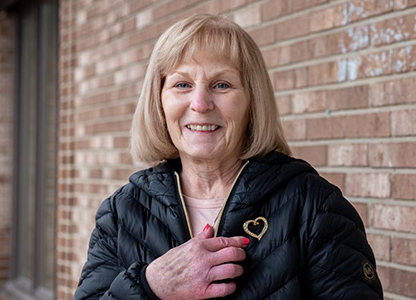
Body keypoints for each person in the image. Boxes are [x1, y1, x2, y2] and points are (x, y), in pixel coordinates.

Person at [73, 14, 383, 300]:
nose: (200, 103)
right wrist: (150, 285)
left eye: (221, 84)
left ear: (252, 102)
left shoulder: (314, 207)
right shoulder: (121, 214)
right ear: (159, 101)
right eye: (182, 84)